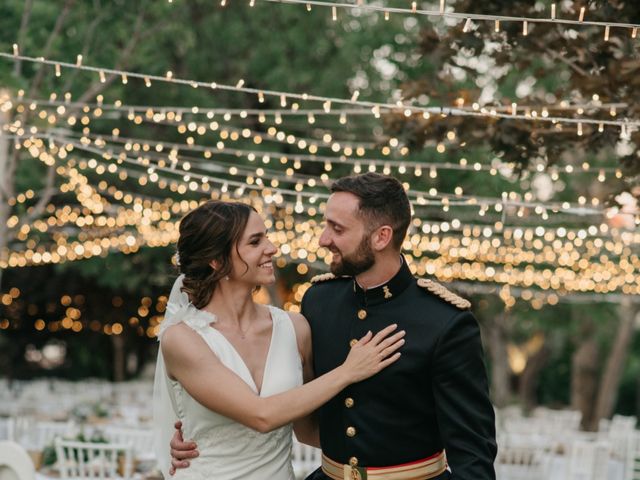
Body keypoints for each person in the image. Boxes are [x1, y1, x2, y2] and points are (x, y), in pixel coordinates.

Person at [170, 174, 497, 479]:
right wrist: (207, 431)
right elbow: (308, 417)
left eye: (337, 229)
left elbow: (472, 452)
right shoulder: (319, 302)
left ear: (382, 237)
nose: (324, 239)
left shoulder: (444, 321)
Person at [153, 200, 406, 480]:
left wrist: (404, 452)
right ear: (217, 261)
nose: (272, 248)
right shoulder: (182, 338)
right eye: (255, 241)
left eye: (267, 237)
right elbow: (262, 416)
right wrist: (349, 371)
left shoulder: (295, 328)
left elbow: (309, 430)